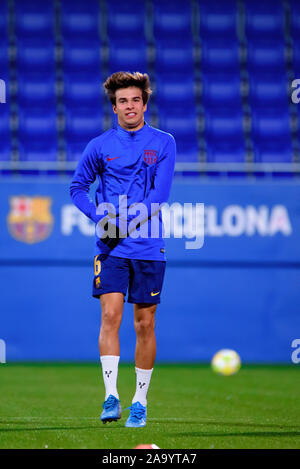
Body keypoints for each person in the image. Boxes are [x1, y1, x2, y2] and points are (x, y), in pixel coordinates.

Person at [70, 71, 176, 428]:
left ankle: (140, 401)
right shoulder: (99, 145)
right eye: (122, 101)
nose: (129, 106)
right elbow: (77, 188)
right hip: (110, 247)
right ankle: (111, 396)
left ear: (144, 104)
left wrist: (124, 222)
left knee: (144, 324)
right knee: (110, 317)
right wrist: (98, 215)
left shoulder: (163, 143)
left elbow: (159, 197)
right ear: (114, 107)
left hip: (147, 246)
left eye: (135, 100)